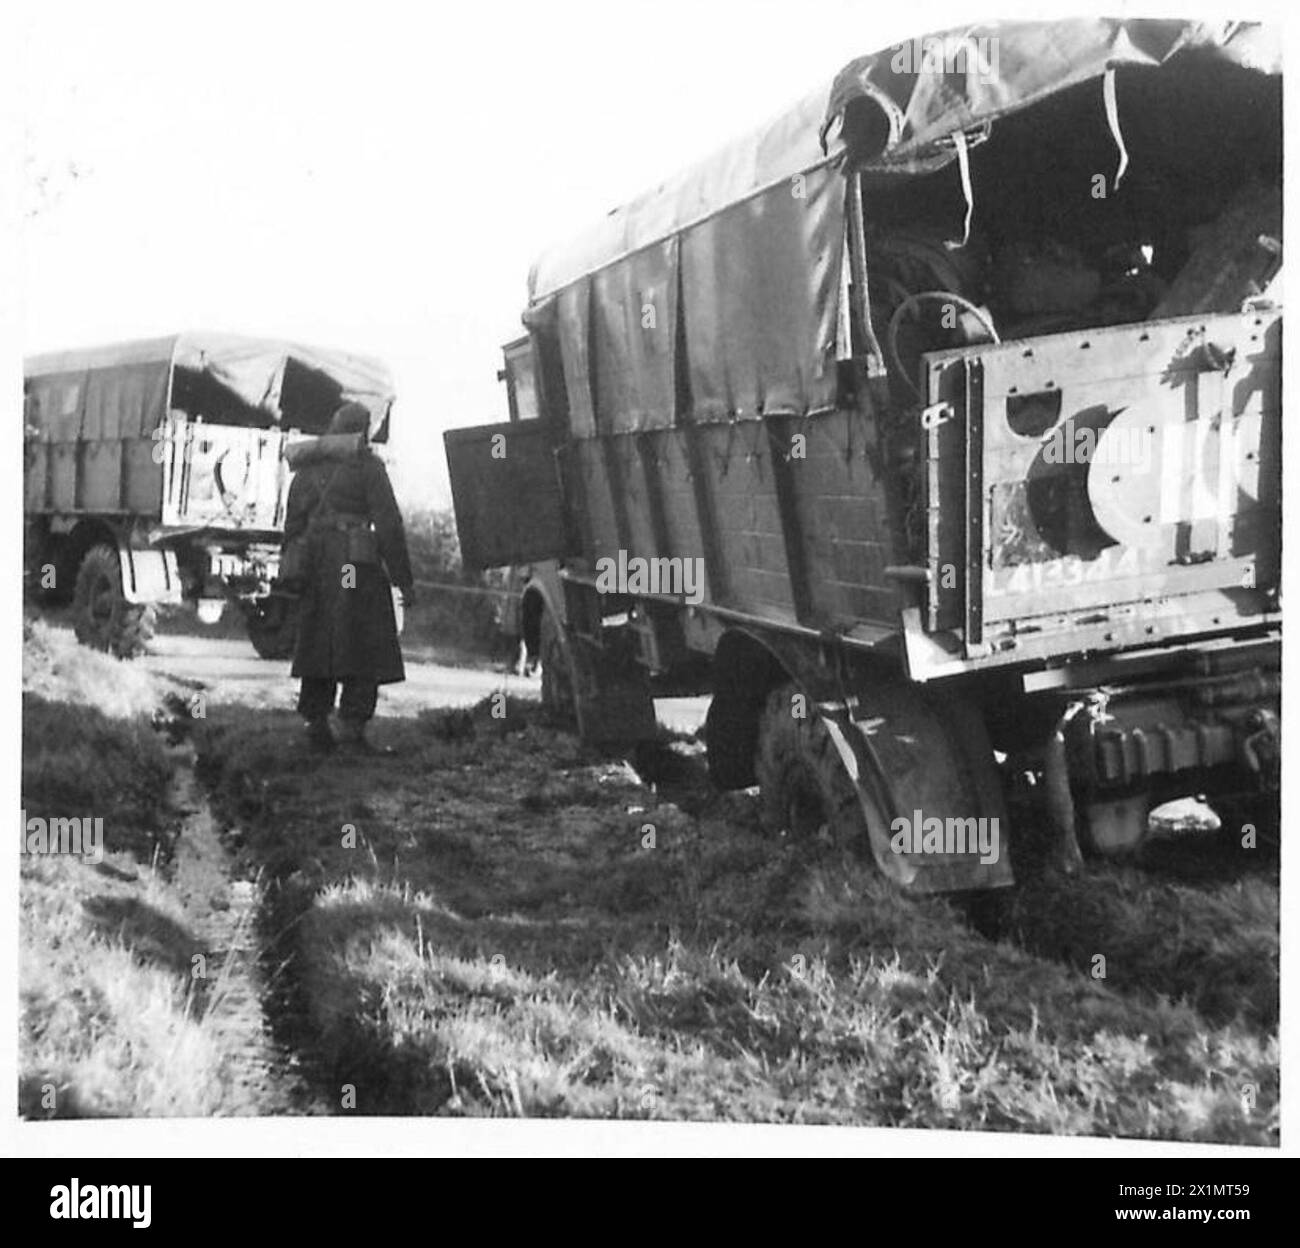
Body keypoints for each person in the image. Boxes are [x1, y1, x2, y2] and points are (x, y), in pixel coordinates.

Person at [284, 401, 415, 751]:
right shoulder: (368, 468)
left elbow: (292, 526)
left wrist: (294, 569)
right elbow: (388, 524)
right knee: (360, 634)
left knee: (317, 635)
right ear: (363, 430)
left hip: (316, 564)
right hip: (351, 567)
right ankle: (353, 728)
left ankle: (316, 722)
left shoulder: (306, 470)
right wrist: (404, 579)